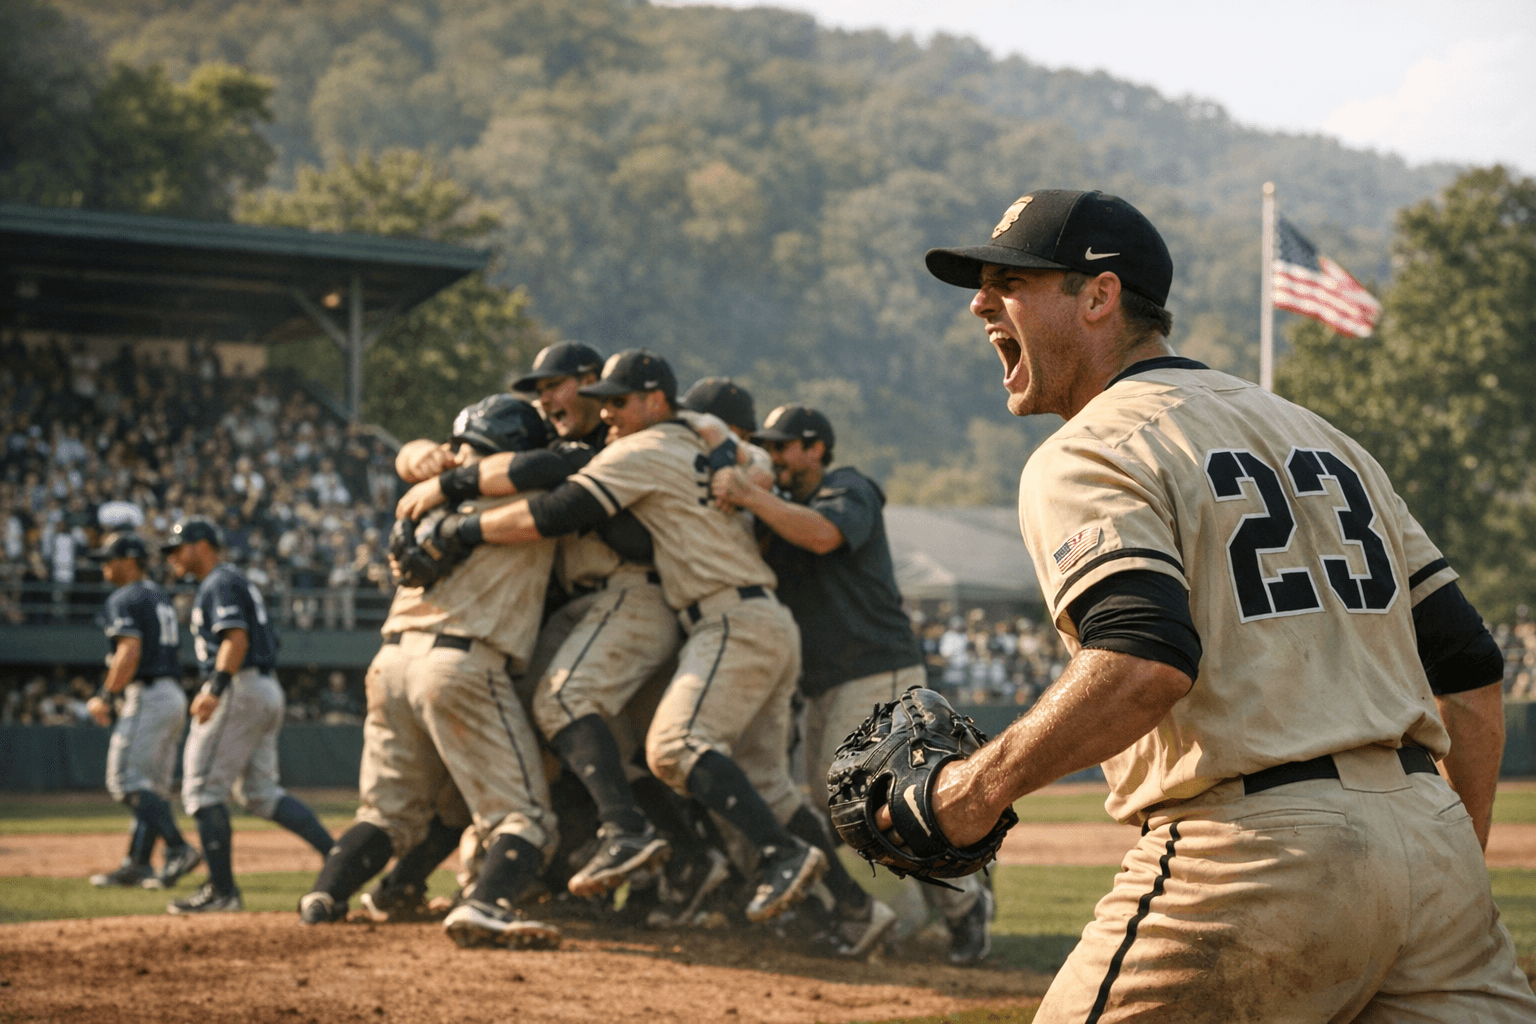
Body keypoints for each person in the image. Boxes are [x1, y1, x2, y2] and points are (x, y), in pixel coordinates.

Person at [903, 188, 1536, 1018]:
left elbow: (1141, 662)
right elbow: (1471, 671)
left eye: (1010, 281)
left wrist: (968, 794)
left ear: (1099, 296)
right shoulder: (1329, 441)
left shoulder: (1091, 446)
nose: (981, 302)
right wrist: (1446, 863)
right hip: (1431, 840)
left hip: (1258, 853)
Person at [413, 350, 831, 924]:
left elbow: (555, 509)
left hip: (711, 611)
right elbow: (748, 458)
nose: (606, 411)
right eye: (602, 401)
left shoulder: (645, 446)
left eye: (615, 400)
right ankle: (840, 906)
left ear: (655, 400)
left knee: (644, 735)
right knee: (688, 762)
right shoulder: (693, 437)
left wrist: (456, 519)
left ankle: (673, 844)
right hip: (720, 614)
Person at [714, 403, 989, 962]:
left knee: (852, 796)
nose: (774, 456)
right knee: (847, 801)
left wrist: (748, 495)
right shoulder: (783, 510)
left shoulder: (847, 486)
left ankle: (961, 901)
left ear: (815, 448)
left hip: (876, 665)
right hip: (826, 679)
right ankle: (936, 908)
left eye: (783, 445)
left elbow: (823, 536)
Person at [298, 395, 564, 949]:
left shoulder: (422, 499)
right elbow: (559, 476)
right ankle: (487, 904)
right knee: (524, 816)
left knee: (388, 813)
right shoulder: (529, 494)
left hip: (391, 660)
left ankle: (324, 896)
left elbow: (427, 461)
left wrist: (422, 457)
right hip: (461, 660)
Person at [163, 516, 335, 914]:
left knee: (202, 791)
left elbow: (236, 639)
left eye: (178, 548)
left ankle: (222, 893)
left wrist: (215, 688)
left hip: (237, 686)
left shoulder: (219, 582)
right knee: (260, 793)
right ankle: (339, 855)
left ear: (202, 546)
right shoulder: (233, 580)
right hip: (262, 686)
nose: (172, 556)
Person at [84, 532, 202, 891]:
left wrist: (105, 695)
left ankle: (178, 848)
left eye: (110, 559)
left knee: (125, 782)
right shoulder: (158, 595)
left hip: (149, 694)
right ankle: (137, 864)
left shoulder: (125, 596)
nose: (104, 566)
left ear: (130, 560)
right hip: (171, 694)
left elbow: (129, 650)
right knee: (153, 789)